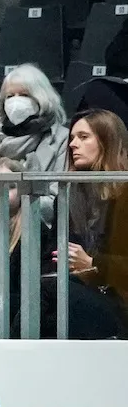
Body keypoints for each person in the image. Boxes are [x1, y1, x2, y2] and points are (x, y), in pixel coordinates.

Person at [47, 109, 128, 337]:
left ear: (107, 141)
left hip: (118, 297)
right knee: (42, 293)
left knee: (53, 295)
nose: (73, 144)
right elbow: (51, 255)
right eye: (72, 138)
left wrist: (93, 263)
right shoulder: (66, 196)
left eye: (83, 137)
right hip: (78, 291)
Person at [0, 64, 68, 222]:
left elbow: (59, 202)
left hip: (41, 232)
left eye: (23, 94)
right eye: (9, 96)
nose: (15, 101)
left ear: (41, 97)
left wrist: (14, 204)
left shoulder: (62, 140)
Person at [0, 157, 55, 329]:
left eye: (10, 187)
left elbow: (35, 292)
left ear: (23, 191)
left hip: (15, 321)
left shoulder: (35, 232)